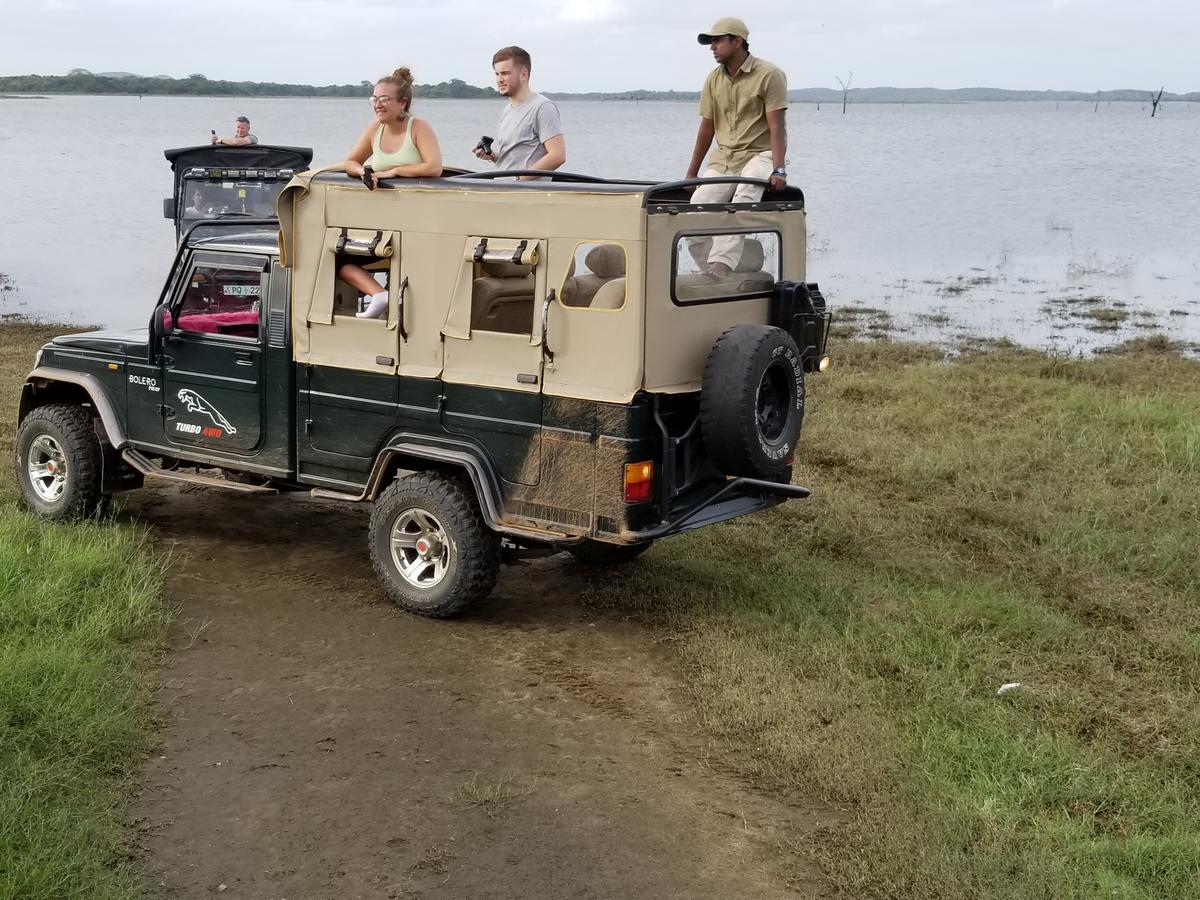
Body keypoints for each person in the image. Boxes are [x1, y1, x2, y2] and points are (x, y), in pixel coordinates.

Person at [685, 17, 789, 278]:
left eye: (717, 40)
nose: (712, 47)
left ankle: (721, 265)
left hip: (760, 153)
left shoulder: (769, 75)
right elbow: (706, 129)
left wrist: (779, 169)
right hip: (724, 157)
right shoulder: (712, 80)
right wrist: (691, 172)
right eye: (711, 42)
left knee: (744, 197)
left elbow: (778, 127)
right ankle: (718, 273)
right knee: (695, 209)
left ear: (738, 41)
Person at [341, 66, 443, 318]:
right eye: (374, 99)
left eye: (384, 99)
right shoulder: (376, 128)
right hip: (381, 220)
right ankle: (379, 295)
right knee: (339, 260)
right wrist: (362, 172)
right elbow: (350, 161)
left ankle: (389, 303)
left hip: (417, 219)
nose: (378, 104)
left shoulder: (418, 127)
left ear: (402, 102)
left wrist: (395, 171)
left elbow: (433, 166)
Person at [472, 46, 565, 180]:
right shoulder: (507, 110)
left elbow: (558, 155)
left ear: (523, 74)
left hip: (525, 195)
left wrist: (519, 180)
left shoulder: (542, 107)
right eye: (497, 74)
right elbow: (515, 160)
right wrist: (492, 156)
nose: (499, 79)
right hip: (503, 191)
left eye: (505, 73)